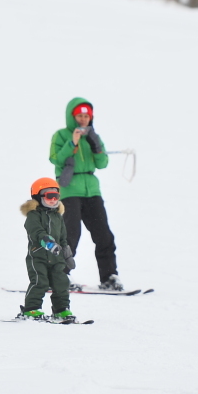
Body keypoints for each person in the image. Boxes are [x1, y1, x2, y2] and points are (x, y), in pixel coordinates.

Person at [49, 97, 123, 291]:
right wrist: (72, 142)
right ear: (72, 117)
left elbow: (102, 163)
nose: (83, 119)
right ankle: (59, 276)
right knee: (70, 235)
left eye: (86, 116)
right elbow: (56, 160)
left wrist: (96, 145)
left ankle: (109, 277)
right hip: (69, 190)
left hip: (92, 189)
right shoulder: (61, 135)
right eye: (80, 116)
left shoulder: (93, 136)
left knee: (104, 235)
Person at [17, 177, 77, 322]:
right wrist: (47, 241)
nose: (53, 199)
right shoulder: (33, 215)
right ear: (38, 196)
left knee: (61, 282)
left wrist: (67, 253)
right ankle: (31, 309)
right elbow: (36, 232)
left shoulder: (58, 216)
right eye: (49, 196)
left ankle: (61, 310)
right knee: (40, 282)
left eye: (56, 196)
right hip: (38, 256)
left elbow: (63, 237)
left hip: (57, 257)